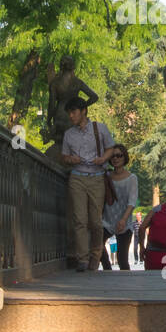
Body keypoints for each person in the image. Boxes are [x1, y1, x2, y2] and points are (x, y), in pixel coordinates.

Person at [61, 97, 115, 272]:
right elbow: (63, 157)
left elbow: (111, 148)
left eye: (74, 111)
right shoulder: (69, 134)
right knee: (79, 220)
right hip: (77, 177)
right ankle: (82, 259)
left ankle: (95, 255)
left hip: (97, 177)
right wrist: (71, 159)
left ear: (83, 111)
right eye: (69, 112)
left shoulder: (99, 128)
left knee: (96, 222)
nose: (71, 116)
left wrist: (103, 159)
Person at [99, 144, 138, 270]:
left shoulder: (132, 178)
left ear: (124, 157)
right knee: (97, 246)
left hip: (124, 222)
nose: (115, 158)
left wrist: (123, 220)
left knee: (122, 260)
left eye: (119, 155)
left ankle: (126, 286)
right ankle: (107, 269)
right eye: (113, 156)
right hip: (107, 220)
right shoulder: (106, 177)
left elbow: (132, 202)